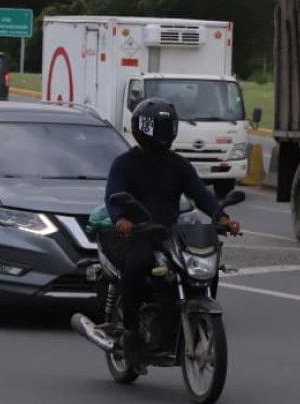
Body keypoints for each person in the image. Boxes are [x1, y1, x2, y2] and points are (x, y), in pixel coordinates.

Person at [102, 98, 241, 365]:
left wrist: (221, 217)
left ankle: (177, 323)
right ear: (142, 128)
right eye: (157, 126)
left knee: (202, 268)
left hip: (170, 234)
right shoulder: (124, 163)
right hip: (137, 234)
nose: (162, 132)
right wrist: (121, 218)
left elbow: (201, 194)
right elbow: (113, 194)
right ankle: (130, 332)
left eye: (167, 126)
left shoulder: (178, 165)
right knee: (138, 266)